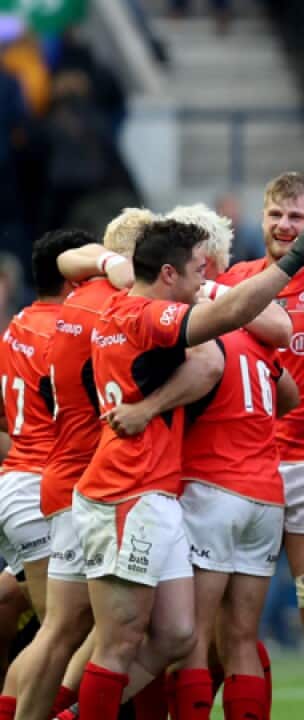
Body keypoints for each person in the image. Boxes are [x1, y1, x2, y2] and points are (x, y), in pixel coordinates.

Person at [71, 215, 304, 720]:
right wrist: (299, 254)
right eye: (197, 271)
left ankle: (71, 711)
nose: (205, 283)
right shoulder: (146, 316)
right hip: (127, 492)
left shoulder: (122, 306)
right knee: (118, 641)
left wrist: (149, 407)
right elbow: (236, 318)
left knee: (178, 635)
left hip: (165, 491)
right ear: (168, 273)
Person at [0, 210, 180, 720]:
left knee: (64, 630)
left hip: (40, 474)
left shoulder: (40, 318)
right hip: (82, 479)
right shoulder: (115, 311)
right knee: (80, 632)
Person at [218, 173, 304, 720]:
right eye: (275, 214)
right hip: (245, 467)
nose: (284, 225)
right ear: (262, 218)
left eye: (296, 217)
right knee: (230, 627)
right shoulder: (237, 280)